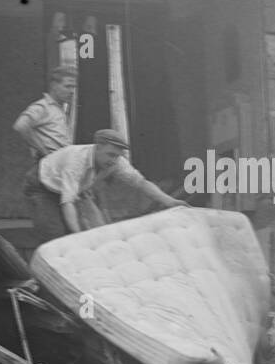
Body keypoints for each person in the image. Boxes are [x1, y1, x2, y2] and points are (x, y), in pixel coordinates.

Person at [35, 128, 180, 243]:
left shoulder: (116, 161)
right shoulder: (76, 161)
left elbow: (141, 183)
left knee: (98, 230)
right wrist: (77, 235)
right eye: (110, 154)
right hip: (43, 185)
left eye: (117, 156)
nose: (113, 160)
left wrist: (170, 201)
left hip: (76, 188)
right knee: (57, 236)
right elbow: (67, 202)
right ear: (97, 147)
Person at [14, 68, 78, 244]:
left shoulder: (61, 110)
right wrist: (44, 151)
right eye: (67, 86)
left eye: (74, 87)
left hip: (60, 174)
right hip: (44, 172)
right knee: (52, 235)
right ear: (54, 85)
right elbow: (21, 126)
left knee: (70, 230)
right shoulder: (43, 107)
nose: (71, 91)